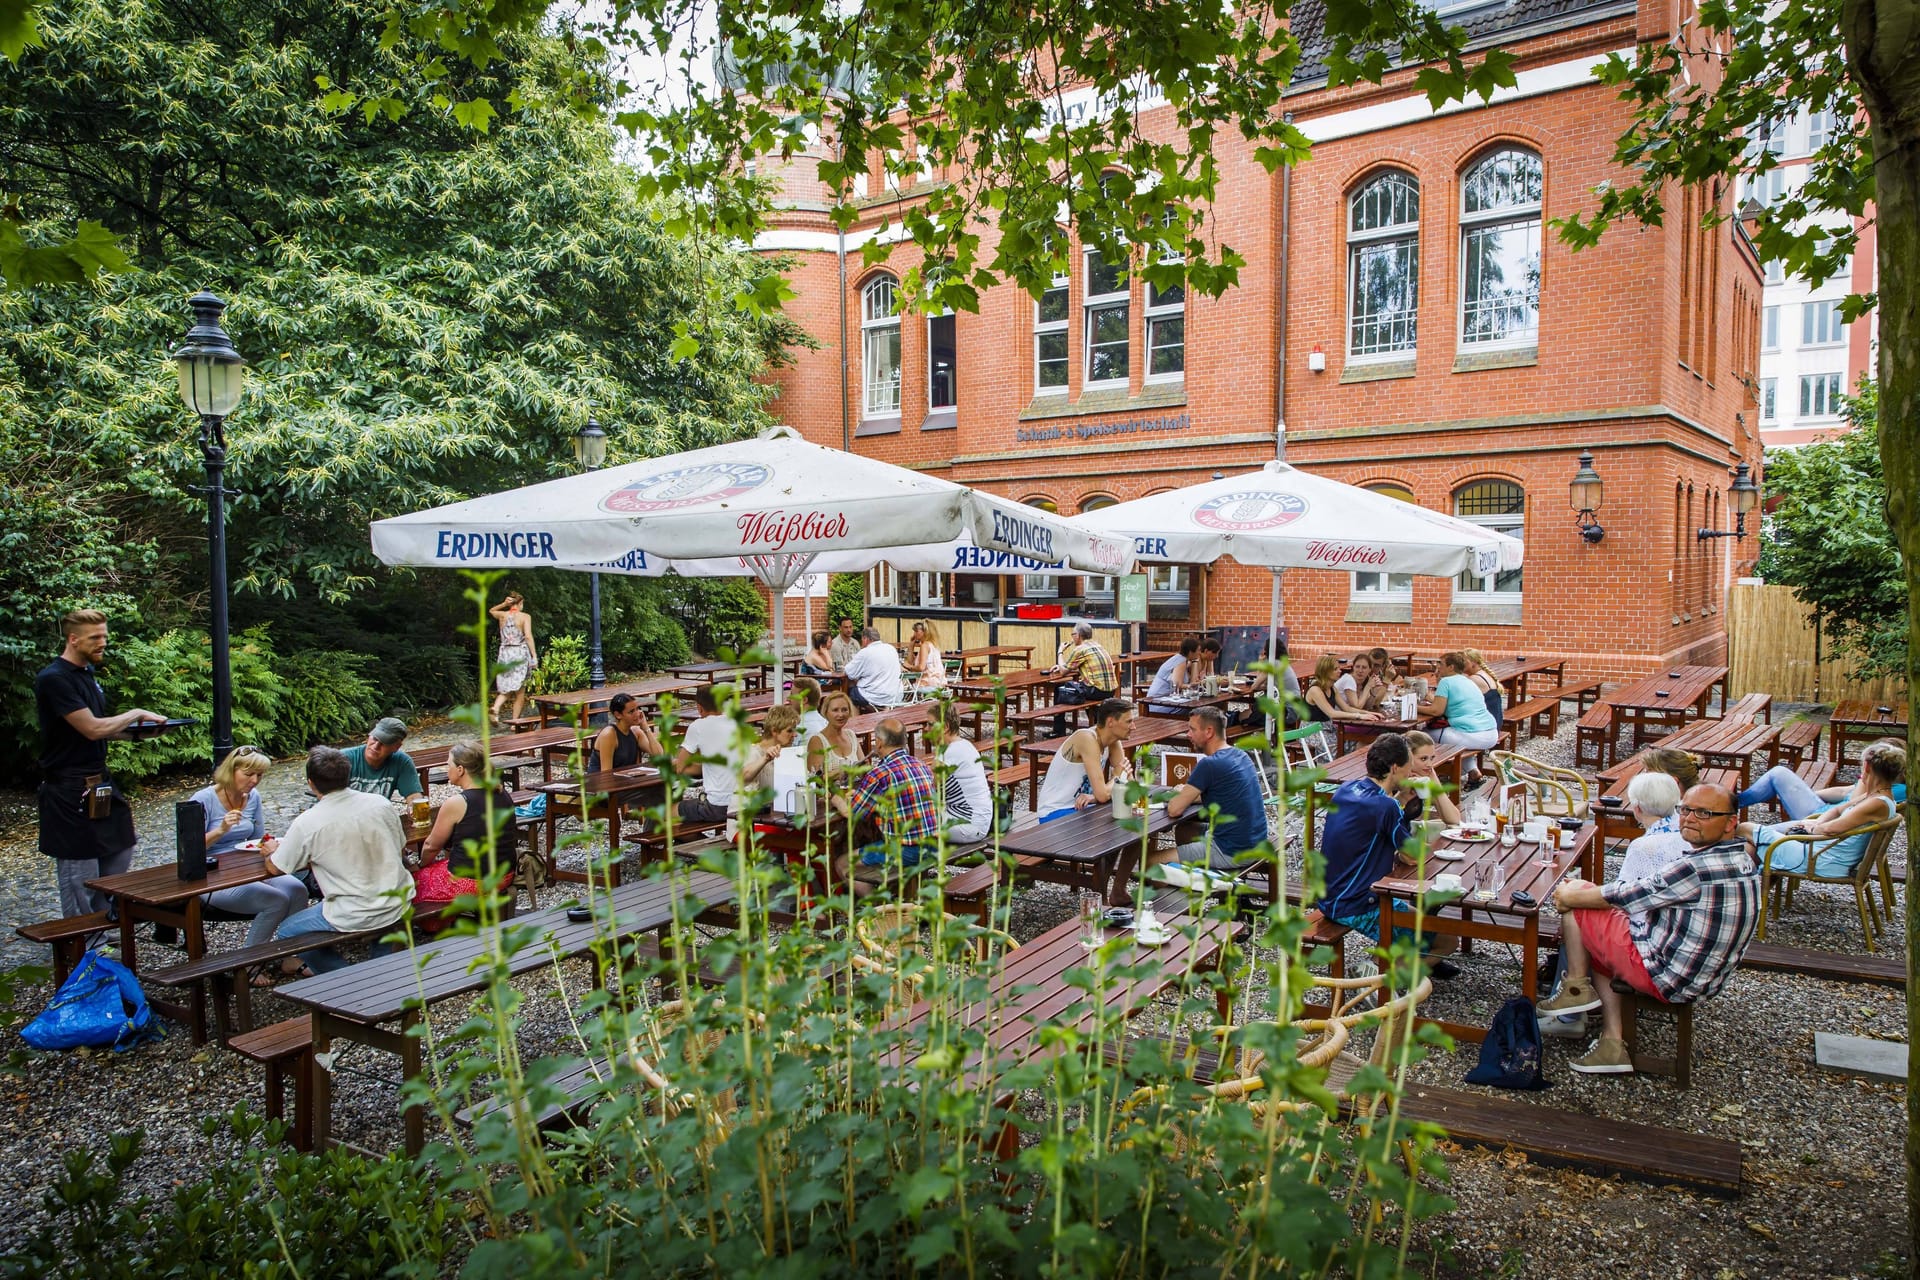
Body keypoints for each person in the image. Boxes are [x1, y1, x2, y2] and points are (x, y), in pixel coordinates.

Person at [1540, 784, 1760, 1075]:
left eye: (1704, 813)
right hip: (1706, 978)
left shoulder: (1695, 868)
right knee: (1599, 938)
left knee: (1581, 898)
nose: (1691, 819)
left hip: (1668, 977)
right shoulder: (1742, 860)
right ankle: (1611, 1042)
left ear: (1731, 822)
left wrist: (1569, 895)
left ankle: (1576, 987)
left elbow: (1628, 895)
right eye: (1686, 810)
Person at [36, 609, 170, 921]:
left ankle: (104, 923)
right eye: (95, 637)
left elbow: (99, 730)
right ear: (73, 639)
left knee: (121, 846)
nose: (103, 643)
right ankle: (81, 944)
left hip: (99, 781)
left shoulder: (87, 676)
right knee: (80, 871)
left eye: (105, 636)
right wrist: (136, 713)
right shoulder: (54, 679)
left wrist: (138, 734)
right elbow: (92, 728)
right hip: (69, 788)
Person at [1315, 733, 1459, 974]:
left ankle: (1403, 963)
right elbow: (1411, 857)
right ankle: (1377, 979)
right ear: (1395, 768)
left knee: (1423, 922)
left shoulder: (1347, 789)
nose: (1409, 772)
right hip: (1359, 904)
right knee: (1447, 940)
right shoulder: (1386, 806)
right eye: (1408, 767)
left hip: (1332, 895)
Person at [269, 747, 416, 975]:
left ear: (311, 783)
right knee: (383, 919)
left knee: (288, 931)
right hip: (397, 900)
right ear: (348, 775)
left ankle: (344, 978)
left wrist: (269, 851)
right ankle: (382, 976)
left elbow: (276, 867)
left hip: (353, 911)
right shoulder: (381, 804)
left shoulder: (308, 822)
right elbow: (399, 846)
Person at [190, 747, 311, 976]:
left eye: (260, 775)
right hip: (210, 874)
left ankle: (291, 956)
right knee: (274, 900)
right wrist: (221, 830)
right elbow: (188, 850)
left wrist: (271, 846)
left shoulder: (252, 797)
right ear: (231, 771)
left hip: (244, 866)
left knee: (297, 889)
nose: (254, 780)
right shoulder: (203, 799)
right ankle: (249, 964)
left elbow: (258, 838)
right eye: (249, 774)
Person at [1741, 739, 1903, 878]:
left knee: (1744, 828)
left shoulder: (1876, 803)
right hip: (1822, 851)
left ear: (1866, 767)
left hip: (1821, 860)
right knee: (1752, 843)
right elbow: (1837, 811)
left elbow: (1831, 829)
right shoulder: (1877, 796)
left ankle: (1739, 887)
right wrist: (1816, 823)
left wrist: (1811, 828)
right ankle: (1745, 888)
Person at [831, 718, 940, 887]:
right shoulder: (921, 765)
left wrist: (838, 800)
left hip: (908, 850)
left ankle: (876, 908)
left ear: (879, 743)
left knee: (842, 863)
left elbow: (852, 813)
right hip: (935, 845)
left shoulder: (880, 773)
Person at [412, 740, 517, 911]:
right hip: (504, 875)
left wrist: (421, 864)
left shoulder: (457, 803)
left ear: (460, 770)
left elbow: (432, 846)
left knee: (414, 880)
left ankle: (434, 926)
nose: (447, 770)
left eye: (448, 765)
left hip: (472, 882)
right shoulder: (501, 792)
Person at [1166, 706, 1266, 870]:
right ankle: (1193, 878)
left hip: (1230, 851)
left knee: (1151, 863)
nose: (1188, 735)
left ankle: (1184, 886)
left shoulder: (1209, 764)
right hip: (1255, 842)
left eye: (1192, 729)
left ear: (1209, 732)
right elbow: (1220, 793)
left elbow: (1174, 810)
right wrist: (1188, 793)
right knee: (1184, 830)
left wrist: (1179, 793)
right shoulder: (1240, 755)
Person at [1034, 697, 1135, 820]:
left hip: (1082, 807)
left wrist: (1094, 797)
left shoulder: (1113, 740)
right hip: (1055, 811)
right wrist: (1117, 778)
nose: (1133, 727)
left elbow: (1131, 783)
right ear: (1111, 722)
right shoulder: (1086, 738)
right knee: (1110, 826)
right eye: (1128, 722)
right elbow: (1104, 794)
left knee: (1125, 819)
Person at [674, 684, 743, 824]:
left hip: (717, 805)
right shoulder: (736, 723)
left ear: (699, 707)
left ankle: (688, 844)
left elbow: (679, 767)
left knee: (667, 812)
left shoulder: (698, 726)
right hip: (739, 802)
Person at [932, 701, 994, 843]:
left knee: (908, 817)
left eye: (930, 724)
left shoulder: (948, 753)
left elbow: (930, 793)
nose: (925, 729)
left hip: (967, 826)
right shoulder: (965, 745)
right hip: (980, 822)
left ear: (945, 727)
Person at [735, 704, 803, 828]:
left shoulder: (785, 754)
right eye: (789, 730)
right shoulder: (753, 751)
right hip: (746, 824)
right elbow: (743, 776)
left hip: (772, 819)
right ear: (774, 731)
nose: (794, 735)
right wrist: (765, 759)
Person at [1418, 651, 1500, 750]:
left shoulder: (1446, 681)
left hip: (1473, 735)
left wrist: (1413, 707)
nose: (1438, 667)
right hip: (1491, 733)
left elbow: (1436, 711)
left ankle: (1430, 764)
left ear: (1451, 667)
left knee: (1419, 736)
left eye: (1441, 664)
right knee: (1459, 741)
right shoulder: (1468, 680)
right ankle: (1471, 766)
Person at [1050, 622, 1118, 733]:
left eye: (1073, 634)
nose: (1072, 637)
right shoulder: (1098, 646)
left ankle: (1058, 730)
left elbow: (1063, 671)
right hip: (1111, 690)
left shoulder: (1080, 649)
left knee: (1060, 688)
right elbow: (1084, 666)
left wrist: (1060, 651)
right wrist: (1064, 667)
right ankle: (1097, 724)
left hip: (1096, 691)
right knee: (1081, 688)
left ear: (1078, 635)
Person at [344, 718, 425, 803]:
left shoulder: (402, 762)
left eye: (384, 743)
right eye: (375, 738)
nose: (376, 746)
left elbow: (414, 797)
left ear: (397, 747)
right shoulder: (344, 759)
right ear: (369, 736)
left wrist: (418, 811)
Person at [488, 592, 539, 726]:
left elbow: (491, 610)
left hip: (505, 653)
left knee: (506, 688)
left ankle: (496, 708)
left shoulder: (502, 615)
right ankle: (515, 723)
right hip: (519, 654)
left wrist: (504, 605)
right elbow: (528, 636)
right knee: (520, 690)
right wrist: (534, 656)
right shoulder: (524, 617)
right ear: (520, 604)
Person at [1400, 730, 1463, 827]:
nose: (1430, 765)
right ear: (1407, 757)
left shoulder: (1423, 778)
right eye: (1423, 759)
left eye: (1432, 758)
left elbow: (1454, 819)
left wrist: (1435, 781)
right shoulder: (1393, 778)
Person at [593, 693, 663, 773]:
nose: (637, 714)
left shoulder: (636, 732)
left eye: (637, 709)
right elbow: (606, 773)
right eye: (631, 711)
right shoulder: (609, 734)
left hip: (626, 780)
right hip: (602, 782)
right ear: (618, 715)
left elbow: (659, 756)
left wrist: (646, 728)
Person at [1304, 655, 1379, 728]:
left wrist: (1368, 713)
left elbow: (1347, 708)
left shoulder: (1332, 688)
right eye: (1335, 669)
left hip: (1327, 728)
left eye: (1339, 668)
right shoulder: (1315, 690)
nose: (1340, 671)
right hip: (1312, 731)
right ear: (1326, 671)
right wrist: (1359, 716)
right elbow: (1331, 713)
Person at [842, 627, 906, 712]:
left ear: (865, 639)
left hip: (876, 696)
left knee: (853, 693)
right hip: (896, 695)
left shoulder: (865, 652)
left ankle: (856, 721)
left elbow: (848, 672)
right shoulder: (891, 648)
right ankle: (882, 710)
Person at [808, 689, 866, 778]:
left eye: (844, 710)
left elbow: (863, 768)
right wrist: (841, 772)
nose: (840, 715)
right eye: (835, 710)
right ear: (826, 712)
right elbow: (816, 779)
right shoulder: (817, 740)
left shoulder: (851, 735)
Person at [1462, 648, 1502, 726]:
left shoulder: (1474, 679)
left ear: (1473, 663)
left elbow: (1454, 700)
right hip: (1496, 722)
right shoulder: (1484, 674)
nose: (1460, 664)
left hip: (1486, 727)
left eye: (1463, 661)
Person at [907, 619, 948, 692]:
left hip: (927, 685)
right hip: (940, 683)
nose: (914, 634)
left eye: (916, 631)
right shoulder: (933, 645)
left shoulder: (925, 646)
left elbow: (921, 667)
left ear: (925, 632)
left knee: (905, 689)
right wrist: (911, 647)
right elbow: (912, 662)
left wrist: (908, 667)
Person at [790, 676, 829, 743]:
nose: (788, 699)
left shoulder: (798, 728)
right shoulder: (826, 724)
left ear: (804, 700)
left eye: (792, 695)